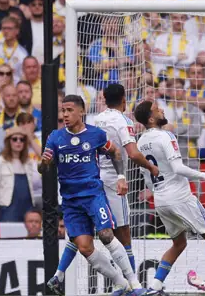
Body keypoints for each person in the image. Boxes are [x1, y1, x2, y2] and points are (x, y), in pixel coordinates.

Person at [50, 83, 158, 292]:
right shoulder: (122, 121)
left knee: (83, 232)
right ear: (124, 100)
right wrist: (151, 168)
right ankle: (130, 285)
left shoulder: (95, 120)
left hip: (92, 181)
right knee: (123, 235)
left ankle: (62, 274)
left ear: (104, 99)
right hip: (111, 183)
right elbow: (131, 153)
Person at [132, 100, 205, 296]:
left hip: (160, 198)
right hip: (179, 196)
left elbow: (147, 179)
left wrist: (159, 189)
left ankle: (155, 287)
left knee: (179, 243)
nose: (162, 109)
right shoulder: (166, 135)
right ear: (151, 118)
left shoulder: (140, 142)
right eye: (157, 109)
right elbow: (178, 169)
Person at [0, 125, 41, 221]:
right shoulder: (0, 161)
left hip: (28, 207)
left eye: (22, 139)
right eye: (15, 139)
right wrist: (2, 204)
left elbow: (45, 160)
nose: (18, 142)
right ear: (9, 141)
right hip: (8, 208)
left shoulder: (28, 162)